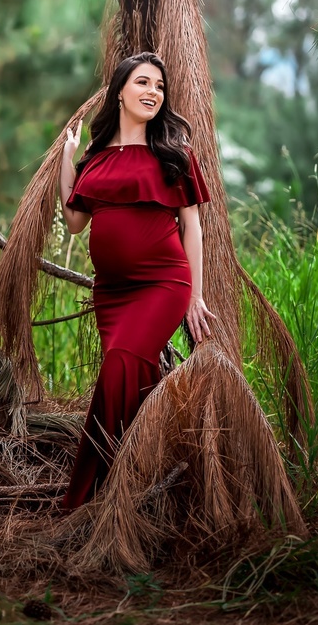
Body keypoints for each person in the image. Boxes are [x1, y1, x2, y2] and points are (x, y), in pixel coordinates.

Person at [58, 51, 216, 510]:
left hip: (163, 283)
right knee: (130, 378)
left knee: (120, 366)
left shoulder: (174, 155)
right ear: (121, 92)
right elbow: (72, 220)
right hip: (111, 293)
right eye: (143, 83)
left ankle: (93, 491)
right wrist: (67, 159)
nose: (153, 92)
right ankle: (138, 478)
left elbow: (193, 228)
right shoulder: (95, 157)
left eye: (160, 86)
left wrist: (195, 297)